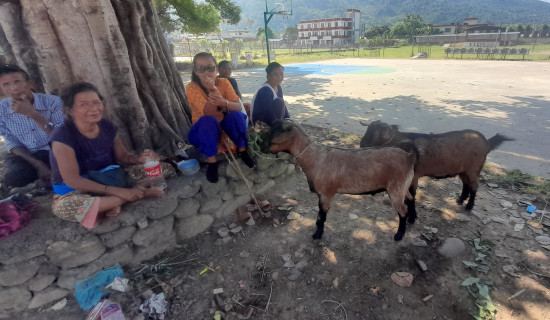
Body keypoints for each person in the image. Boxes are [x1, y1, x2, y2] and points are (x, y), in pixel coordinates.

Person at [49, 82, 163, 228]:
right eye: (84, 105)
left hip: (109, 177)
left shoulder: (106, 126)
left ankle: (118, 199)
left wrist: (139, 159)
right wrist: (120, 192)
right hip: (77, 189)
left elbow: (123, 157)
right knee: (64, 208)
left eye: (97, 103)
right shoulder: (62, 137)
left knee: (162, 168)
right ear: (70, 110)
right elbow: (73, 181)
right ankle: (136, 193)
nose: (94, 109)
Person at [186, 52, 254, 183]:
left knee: (237, 116)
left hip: (223, 124)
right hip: (203, 130)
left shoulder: (224, 82)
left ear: (216, 69)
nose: (206, 72)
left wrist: (225, 103)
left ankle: (242, 150)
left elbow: (237, 106)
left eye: (210, 68)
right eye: (201, 68)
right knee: (208, 121)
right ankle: (212, 161)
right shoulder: (192, 87)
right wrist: (212, 90)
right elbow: (207, 113)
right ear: (195, 71)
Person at [0, 64, 65, 192]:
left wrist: (32, 113)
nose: (14, 88)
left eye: (17, 81)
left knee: (72, 164)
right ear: (1, 89)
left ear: (30, 83)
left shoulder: (53, 102)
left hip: (56, 150)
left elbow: (62, 137)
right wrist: (38, 164)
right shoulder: (1, 109)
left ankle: (45, 182)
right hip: (29, 155)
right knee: (14, 177)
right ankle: (44, 181)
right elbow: (12, 143)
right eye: (6, 84)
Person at [250, 62, 290, 126]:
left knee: (281, 103)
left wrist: (289, 121)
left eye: (281, 74)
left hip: (272, 120)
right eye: (276, 74)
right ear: (268, 76)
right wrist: (280, 128)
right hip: (261, 124)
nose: (279, 77)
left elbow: (283, 109)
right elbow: (268, 113)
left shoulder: (278, 87)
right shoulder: (265, 90)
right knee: (279, 102)